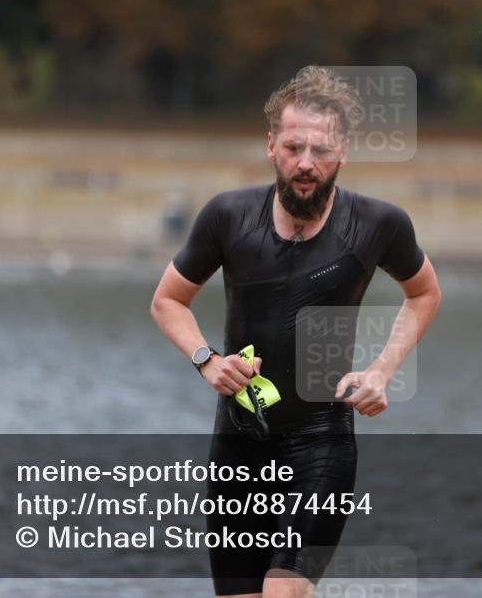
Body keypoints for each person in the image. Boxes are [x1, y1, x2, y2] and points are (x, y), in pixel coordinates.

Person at [150, 66, 442, 598]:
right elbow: (167, 300)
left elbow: (424, 293)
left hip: (321, 441)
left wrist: (382, 372)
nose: (306, 162)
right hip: (239, 442)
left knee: (283, 593)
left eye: (321, 149)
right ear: (271, 146)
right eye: (293, 147)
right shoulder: (227, 217)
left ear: (343, 152)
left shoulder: (378, 225)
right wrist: (207, 360)